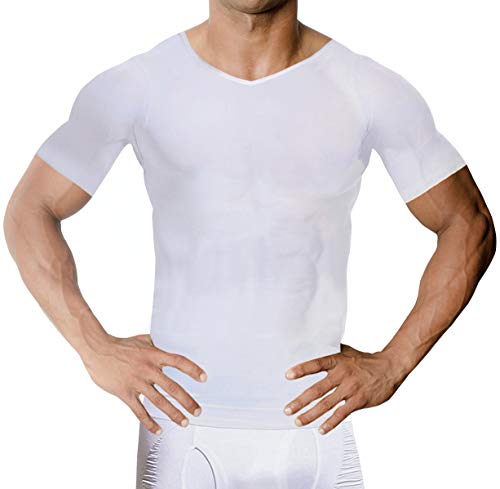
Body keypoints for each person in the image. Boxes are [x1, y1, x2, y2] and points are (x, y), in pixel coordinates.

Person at [3, 0, 496, 487]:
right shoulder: (139, 85)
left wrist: (394, 363)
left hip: (315, 429)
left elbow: (468, 223)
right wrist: (93, 347)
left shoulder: (366, 88)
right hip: (180, 431)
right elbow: (29, 210)